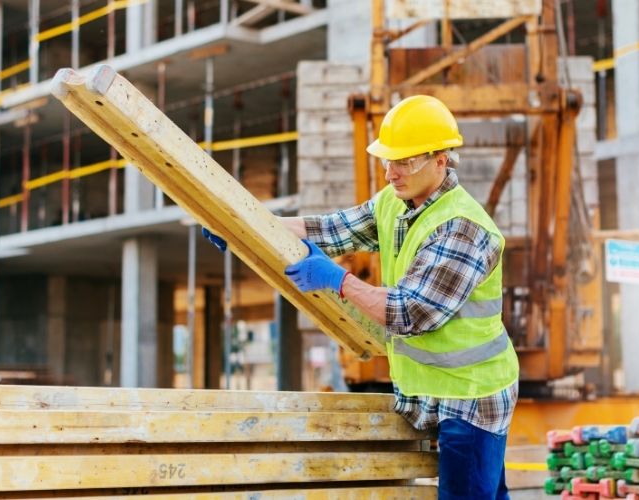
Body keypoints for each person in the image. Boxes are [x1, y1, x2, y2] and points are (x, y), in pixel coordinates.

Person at [205, 95, 519, 499]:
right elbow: (332, 229)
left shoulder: (463, 229)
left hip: (472, 396)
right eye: (387, 160)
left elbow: (408, 313)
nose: (390, 173)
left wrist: (339, 280)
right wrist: (247, 228)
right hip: (435, 389)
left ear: (441, 160)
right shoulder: (395, 202)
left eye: (404, 161)